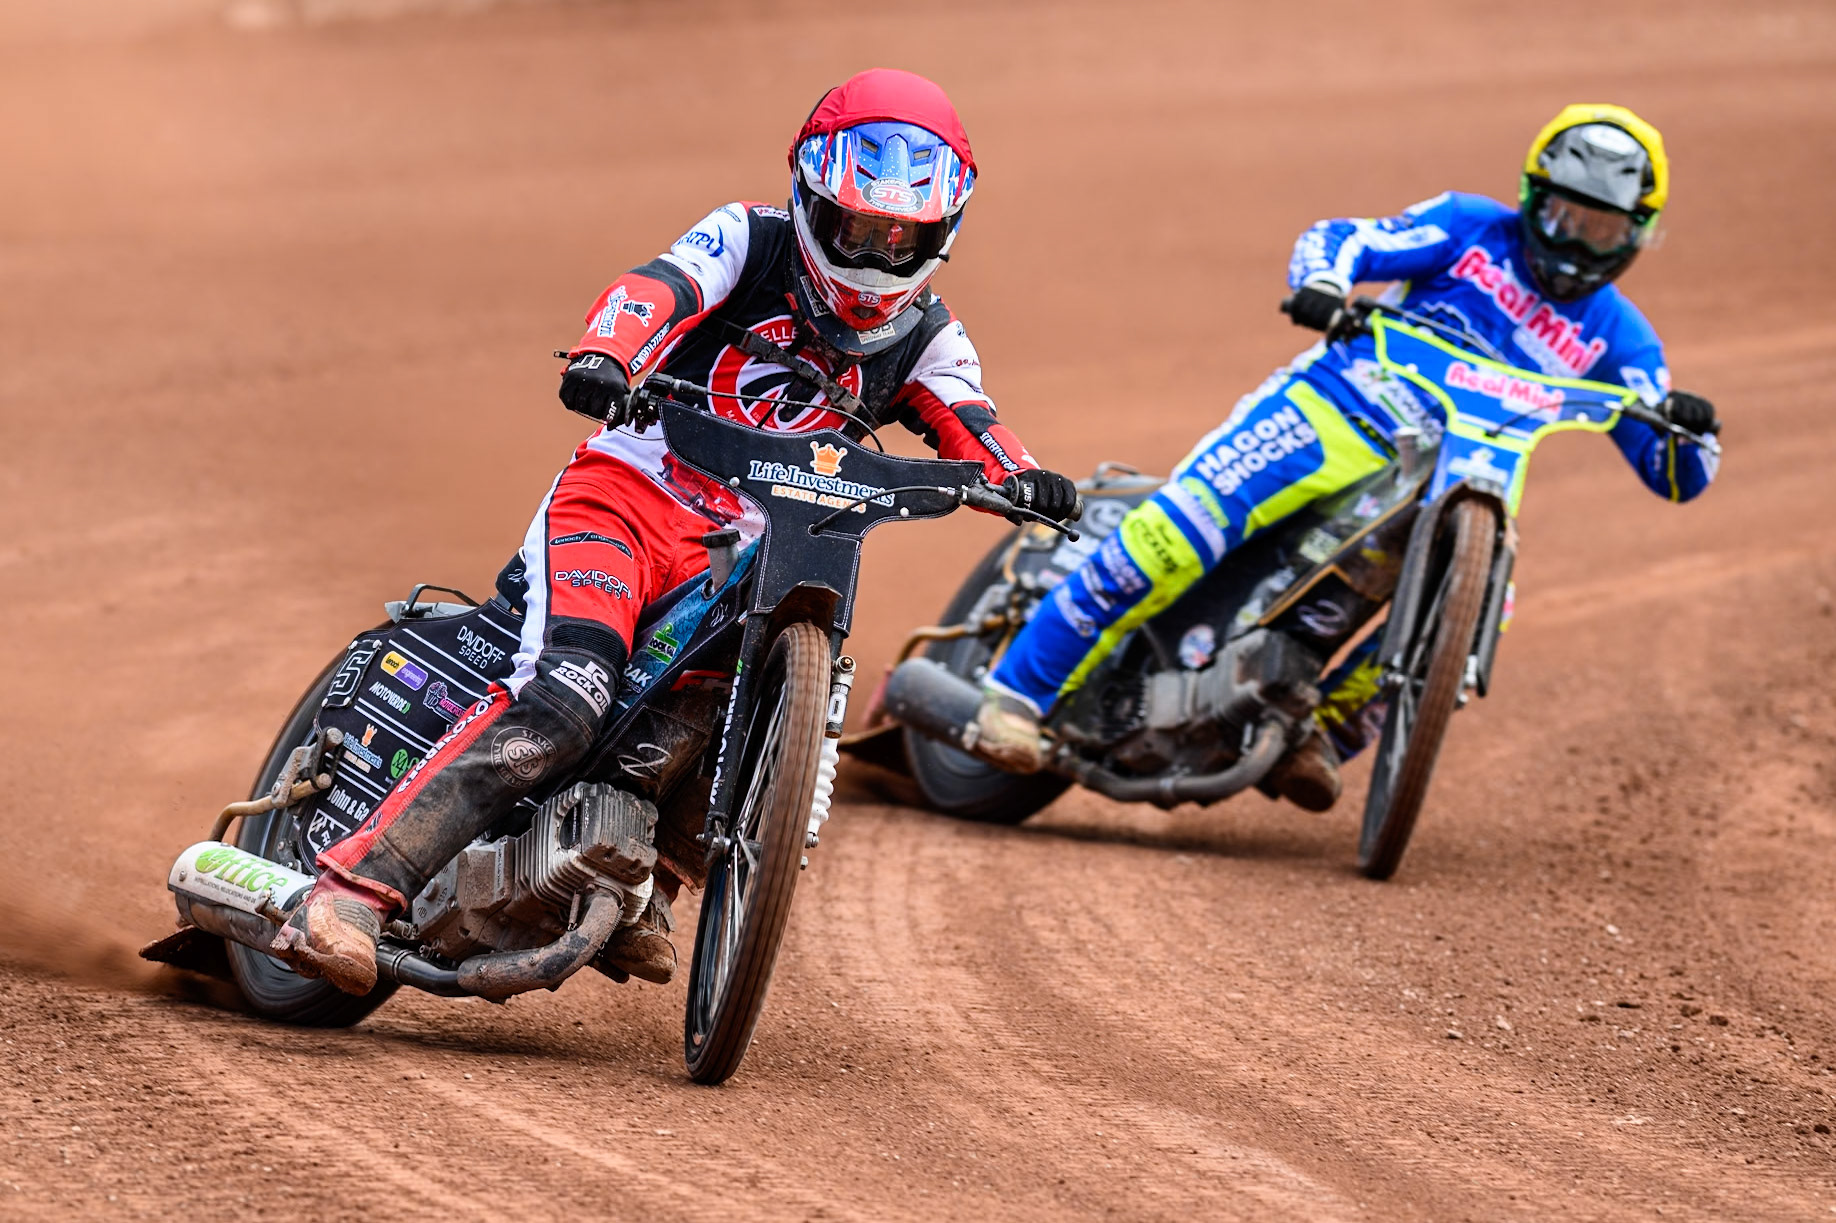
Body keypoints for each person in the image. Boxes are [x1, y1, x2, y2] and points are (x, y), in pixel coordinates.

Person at [271, 68, 1081, 995]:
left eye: (904, 238)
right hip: (626, 500)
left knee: (732, 696)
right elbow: (657, 287)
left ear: (944, 231)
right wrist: (607, 353)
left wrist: (1019, 479)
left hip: (749, 550)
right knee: (566, 699)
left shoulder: (929, 335)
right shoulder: (749, 236)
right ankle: (349, 894)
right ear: (813, 200)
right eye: (859, 227)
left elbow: (971, 419)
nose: (877, 256)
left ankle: (646, 879)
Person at [974, 103, 1721, 806]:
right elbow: (1343, 239)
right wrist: (1324, 286)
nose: (1571, 242)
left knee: (1484, 611)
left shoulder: (1623, 341)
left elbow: (1679, 475)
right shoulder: (1467, 227)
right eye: (1561, 214)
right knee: (1177, 533)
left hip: (1459, 476)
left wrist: (1691, 429)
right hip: (1336, 411)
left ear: (1636, 234)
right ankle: (1014, 696)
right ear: (1531, 196)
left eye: (1598, 229)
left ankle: (1321, 734)